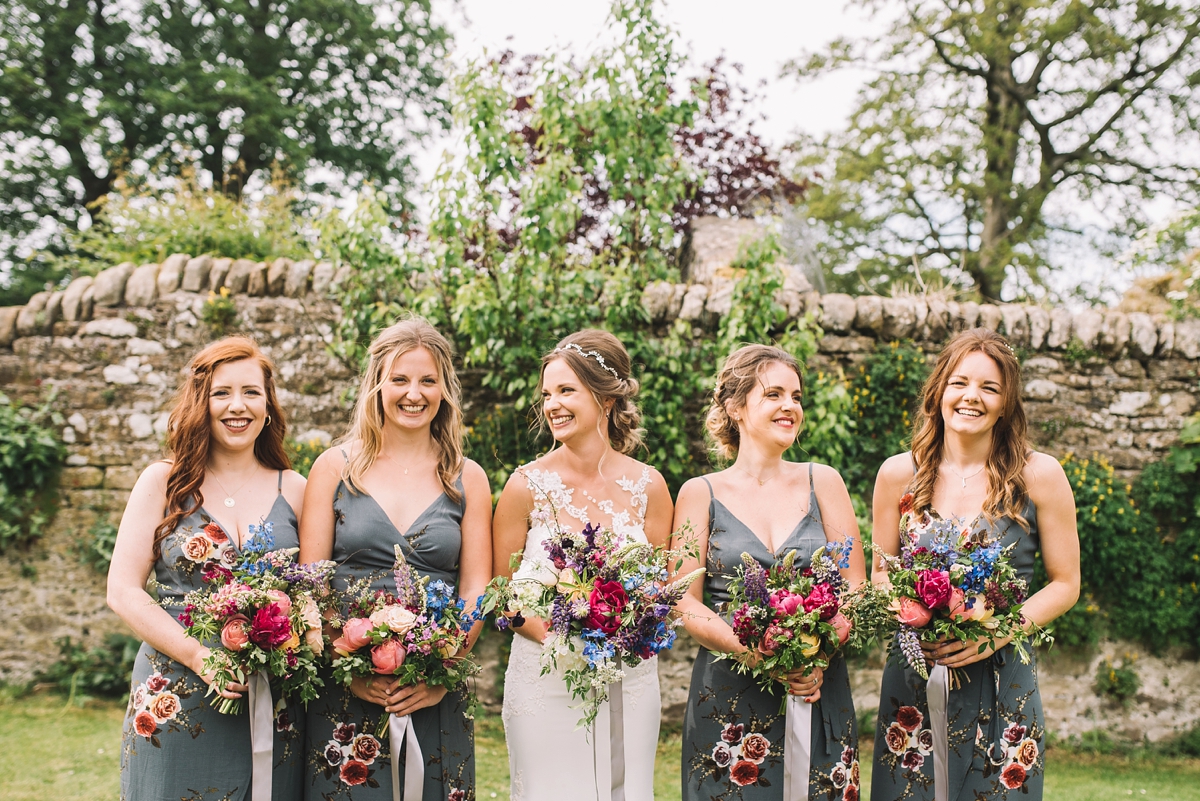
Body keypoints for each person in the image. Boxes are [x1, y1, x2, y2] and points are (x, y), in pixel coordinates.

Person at [869, 328, 1080, 801]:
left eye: (990, 387)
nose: (972, 397)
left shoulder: (1039, 475)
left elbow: (1066, 583)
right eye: (960, 382)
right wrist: (913, 609)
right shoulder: (898, 474)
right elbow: (880, 572)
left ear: (1006, 404)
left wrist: (998, 631)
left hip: (1002, 674)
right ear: (940, 390)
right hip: (915, 672)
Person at [299, 318, 491, 801]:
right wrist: (351, 668)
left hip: (434, 687)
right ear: (376, 385)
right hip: (344, 683)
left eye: (428, 381)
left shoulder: (466, 476)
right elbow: (309, 584)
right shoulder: (335, 468)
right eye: (400, 379)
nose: (414, 393)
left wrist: (442, 674)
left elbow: (475, 589)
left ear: (445, 390)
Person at [109, 336, 308, 800]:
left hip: (272, 698)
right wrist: (197, 655)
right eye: (222, 393)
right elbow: (122, 590)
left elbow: (317, 593)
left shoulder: (297, 488)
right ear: (202, 400)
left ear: (268, 404)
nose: (237, 406)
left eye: (251, 392)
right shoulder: (164, 481)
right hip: (175, 694)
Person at [673, 344, 867, 801]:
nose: (790, 407)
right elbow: (683, 598)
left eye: (796, 396)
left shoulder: (825, 482)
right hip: (729, 693)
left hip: (819, 686)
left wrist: (811, 655)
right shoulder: (699, 493)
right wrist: (757, 652)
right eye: (774, 394)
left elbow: (856, 587)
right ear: (735, 407)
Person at [494, 329, 674, 801]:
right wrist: (562, 641)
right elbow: (503, 596)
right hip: (543, 679)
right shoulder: (524, 486)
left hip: (627, 680)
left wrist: (625, 632)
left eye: (566, 390)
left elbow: (661, 594)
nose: (552, 404)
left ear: (606, 398)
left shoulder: (649, 487)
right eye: (547, 393)